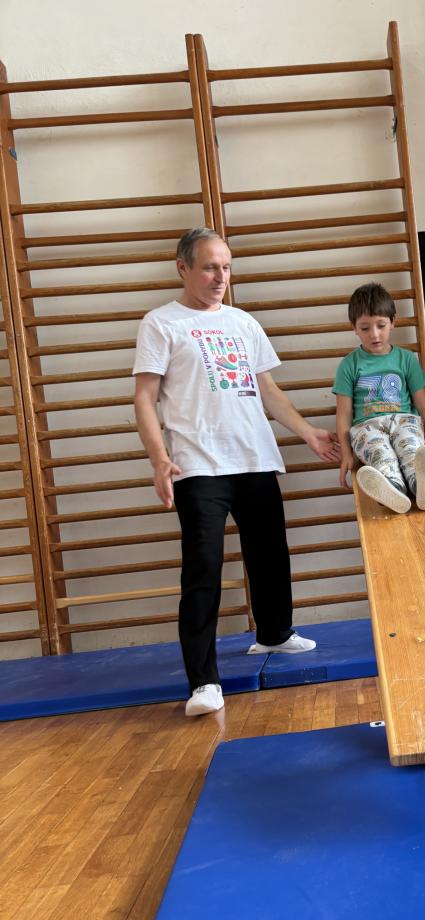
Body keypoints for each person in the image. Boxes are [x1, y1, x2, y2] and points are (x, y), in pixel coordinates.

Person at [133, 227, 339, 717]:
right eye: (209, 267)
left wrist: (307, 433)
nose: (219, 276)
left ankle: (274, 634)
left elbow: (268, 391)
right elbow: (144, 397)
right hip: (198, 464)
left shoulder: (243, 322)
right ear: (183, 268)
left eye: (225, 267)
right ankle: (204, 682)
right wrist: (159, 458)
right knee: (203, 569)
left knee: (269, 554)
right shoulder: (161, 323)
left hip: (254, 456)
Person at [333, 283, 425, 514]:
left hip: (404, 421)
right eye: (365, 328)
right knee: (380, 454)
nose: (374, 334)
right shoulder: (349, 365)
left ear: (393, 322)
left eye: (381, 325)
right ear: (354, 328)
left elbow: (423, 405)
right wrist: (346, 454)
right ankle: (393, 489)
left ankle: (420, 486)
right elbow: (343, 414)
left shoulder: (407, 359)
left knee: (411, 448)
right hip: (367, 427)